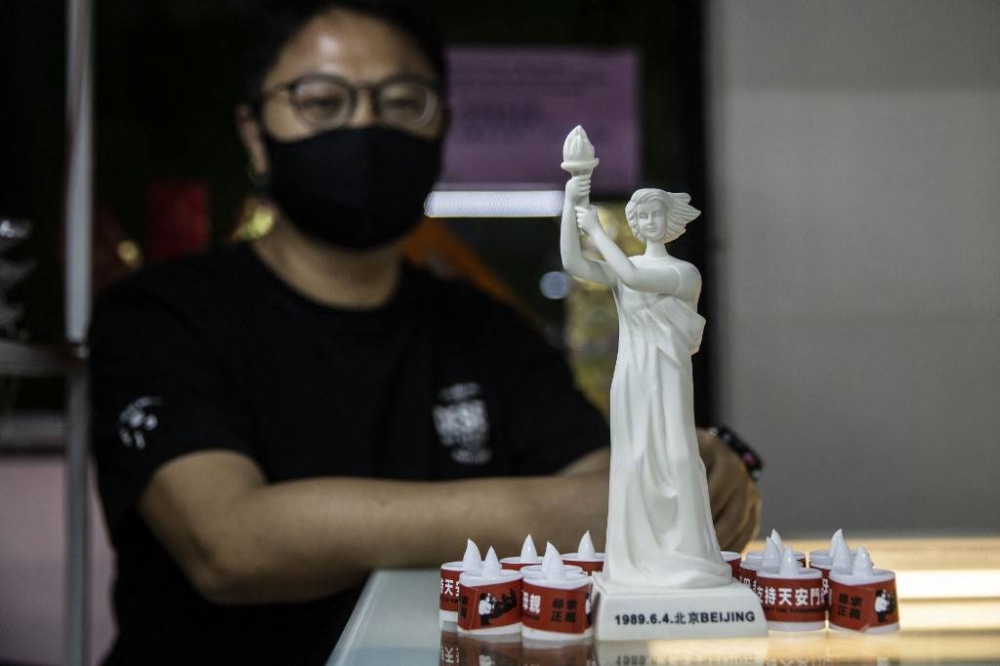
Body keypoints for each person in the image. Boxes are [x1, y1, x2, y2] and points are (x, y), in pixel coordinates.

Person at [89, 1, 760, 664]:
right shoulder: (160, 316)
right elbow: (230, 544)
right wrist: (591, 506)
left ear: (441, 127)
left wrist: (688, 468)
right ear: (256, 133)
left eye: (403, 100)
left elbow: (601, 478)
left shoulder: (483, 329)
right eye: (322, 101)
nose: (366, 126)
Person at [564, 181, 731, 589]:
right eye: (640, 216)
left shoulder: (681, 272)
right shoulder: (627, 268)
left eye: (655, 214)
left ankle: (688, 555)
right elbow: (574, 264)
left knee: (675, 457)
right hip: (634, 374)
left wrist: (598, 231)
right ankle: (639, 558)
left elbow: (633, 277)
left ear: (669, 221)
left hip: (667, 374)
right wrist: (571, 206)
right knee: (635, 460)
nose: (648, 221)